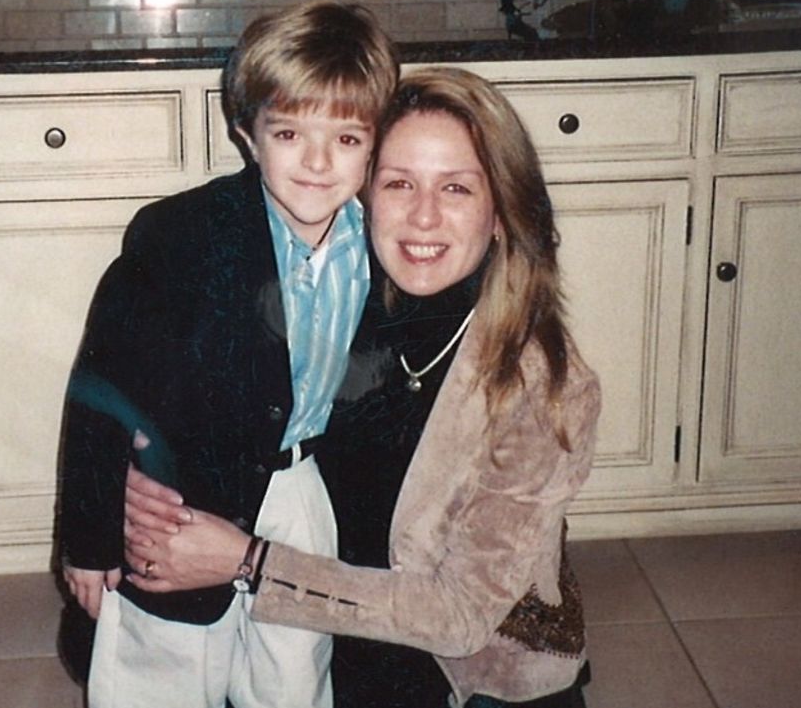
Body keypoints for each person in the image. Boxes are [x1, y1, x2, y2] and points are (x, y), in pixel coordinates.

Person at [123, 67, 602, 707]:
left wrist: (247, 562)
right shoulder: (328, 300)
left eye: (456, 188)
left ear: (500, 214)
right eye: (399, 183)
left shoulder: (543, 387)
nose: (423, 217)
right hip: (319, 621)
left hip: (463, 663)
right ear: (363, 195)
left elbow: (457, 618)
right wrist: (148, 477)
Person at [57, 0, 399, 708]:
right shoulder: (179, 238)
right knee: (164, 663)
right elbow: (99, 391)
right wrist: (89, 536)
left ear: (374, 146)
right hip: (182, 489)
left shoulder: (379, 244)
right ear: (248, 133)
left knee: (295, 667)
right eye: (289, 132)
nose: (316, 161)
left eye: (345, 139)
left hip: (302, 485)